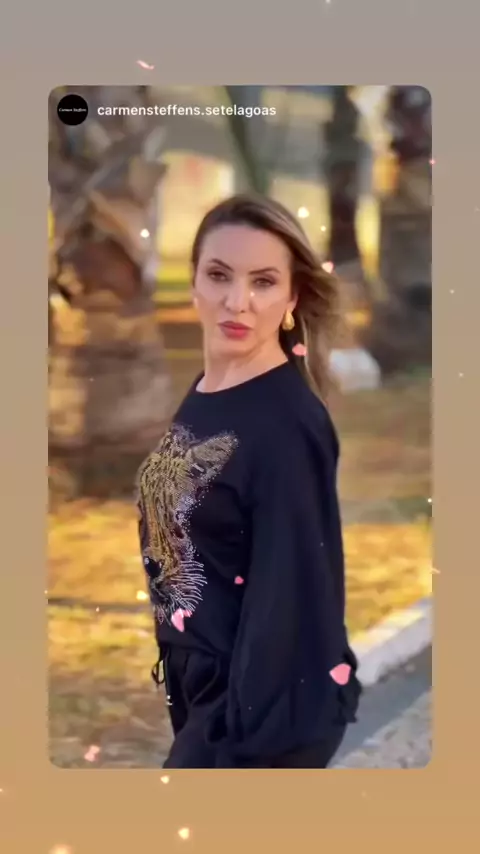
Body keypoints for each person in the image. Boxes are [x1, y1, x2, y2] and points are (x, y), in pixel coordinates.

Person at [136, 193, 362, 768]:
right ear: (194, 282)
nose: (237, 302)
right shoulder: (210, 392)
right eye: (219, 275)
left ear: (292, 298)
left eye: (263, 282)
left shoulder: (287, 426)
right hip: (201, 693)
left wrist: (244, 750)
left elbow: (293, 600)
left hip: (250, 723)